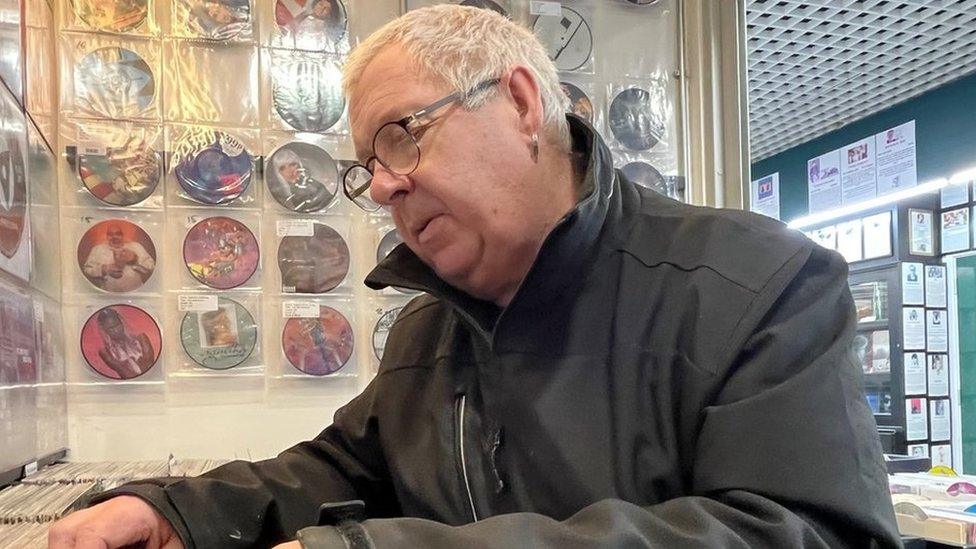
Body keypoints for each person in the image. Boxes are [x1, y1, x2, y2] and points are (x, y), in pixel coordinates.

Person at [49, 5, 900, 549]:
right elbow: (346, 468)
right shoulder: (433, 326)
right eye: (366, 165)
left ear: (525, 105)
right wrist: (176, 513)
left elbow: (807, 530)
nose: (381, 184)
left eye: (400, 135)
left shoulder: (758, 282)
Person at [81, 222, 155, 292]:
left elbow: (152, 267)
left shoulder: (136, 247)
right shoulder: (98, 249)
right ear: (106, 236)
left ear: (122, 235)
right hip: (108, 295)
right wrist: (104, 269)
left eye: (118, 234)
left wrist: (135, 260)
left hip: (135, 294)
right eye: (110, 234)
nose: (114, 237)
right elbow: (87, 270)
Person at [94, 308, 155, 379]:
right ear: (104, 330)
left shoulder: (141, 338)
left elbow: (151, 367)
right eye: (111, 329)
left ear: (121, 322)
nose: (116, 330)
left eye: (117, 325)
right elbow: (124, 372)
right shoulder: (105, 352)